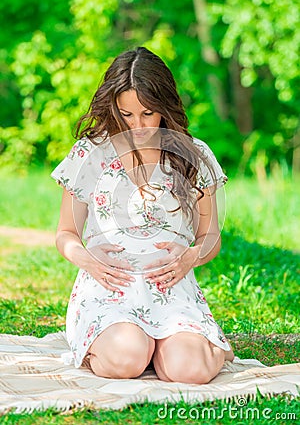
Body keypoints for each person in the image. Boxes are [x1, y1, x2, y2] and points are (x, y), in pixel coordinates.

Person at [51, 46, 234, 384]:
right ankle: (132, 344)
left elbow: (211, 238)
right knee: (126, 359)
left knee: (188, 371)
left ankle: (205, 346)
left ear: (166, 106)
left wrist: (191, 256)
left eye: (148, 114)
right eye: (126, 114)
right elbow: (65, 233)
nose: (137, 125)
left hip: (170, 287)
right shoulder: (90, 153)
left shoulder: (194, 156)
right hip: (109, 285)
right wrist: (88, 260)